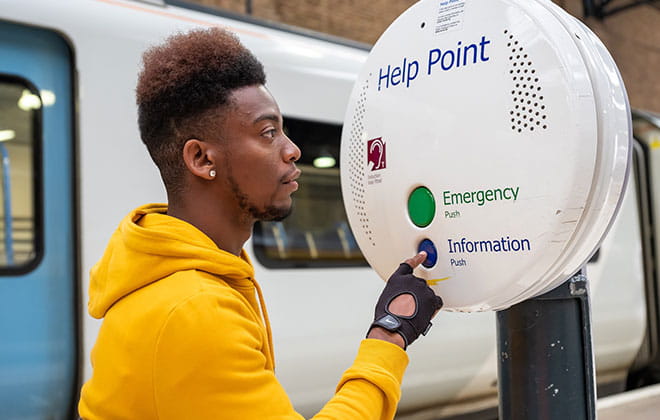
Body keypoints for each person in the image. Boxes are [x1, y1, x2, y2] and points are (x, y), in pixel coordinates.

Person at [78, 27, 442, 420]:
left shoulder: (187, 278)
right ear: (202, 159)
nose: (292, 150)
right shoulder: (194, 310)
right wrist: (388, 336)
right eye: (268, 133)